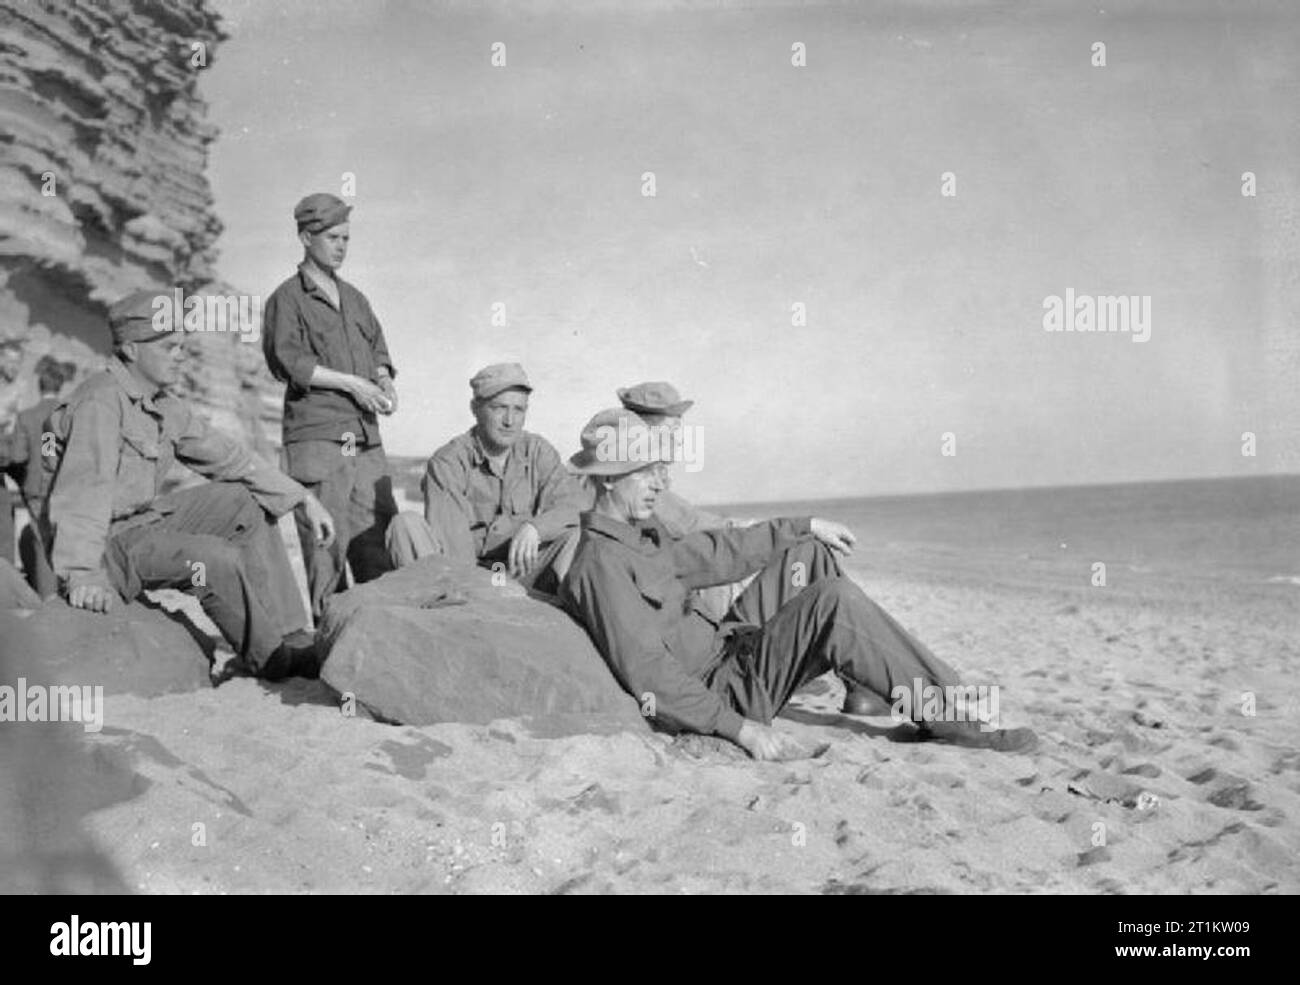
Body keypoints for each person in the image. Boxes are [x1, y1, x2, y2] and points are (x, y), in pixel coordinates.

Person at [560, 407, 1038, 761]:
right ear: (607, 480)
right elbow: (649, 676)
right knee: (834, 601)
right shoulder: (601, 564)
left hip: (729, 650)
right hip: (723, 690)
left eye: (659, 471)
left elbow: (717, 554)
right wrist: (740, 730)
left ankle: (871, 685)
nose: (660, 484)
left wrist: (804, 524)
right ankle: (950, 717)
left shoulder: (638, 536)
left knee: (808, 555)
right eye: (644, 473)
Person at [45, 290, 336, 680]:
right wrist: (81, 574)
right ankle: (271, 660)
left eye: (182, 345)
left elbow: (231, 459)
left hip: (141, 526)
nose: (180, 355)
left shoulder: (164, 405)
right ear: (131, 350)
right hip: (105, 547)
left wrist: (301, 499)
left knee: (242, 501)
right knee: (212, 559)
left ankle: (289, 634)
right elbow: (83, 494)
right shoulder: (100, 401)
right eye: (169, 346)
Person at [262, 192, 398, 621]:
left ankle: (376, 647)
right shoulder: (286, 299)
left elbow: (378, 350)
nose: (341, 246)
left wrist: (383, 381)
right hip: (319, 438)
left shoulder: (355, 299)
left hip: (365, 437)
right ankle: (330, 651)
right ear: (306, 238)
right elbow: (288, 362)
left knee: (377, 543)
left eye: (346, 238)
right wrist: (351, 384)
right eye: (333, 237)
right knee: (327, 549)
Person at [386, 363, 588, 594]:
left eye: (519, 410)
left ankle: (568, 616)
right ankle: (448, 609)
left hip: (518, 570)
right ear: (475, 409)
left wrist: (535, 528)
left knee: (577, 536)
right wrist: (481, 591)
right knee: (405, 524)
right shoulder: (449, 461)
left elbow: (576, 505)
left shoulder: (537, 451)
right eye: (499, 408)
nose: (509, 421)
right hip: (461, 575)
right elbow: (454, 547)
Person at [0, 355, 76, 597]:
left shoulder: (27, 416)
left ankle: (48, 600)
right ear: (61, 385)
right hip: (68, 487)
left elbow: (18, 457)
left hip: (37, 488)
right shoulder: (72, 414)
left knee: (42, 544)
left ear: (39, 385)